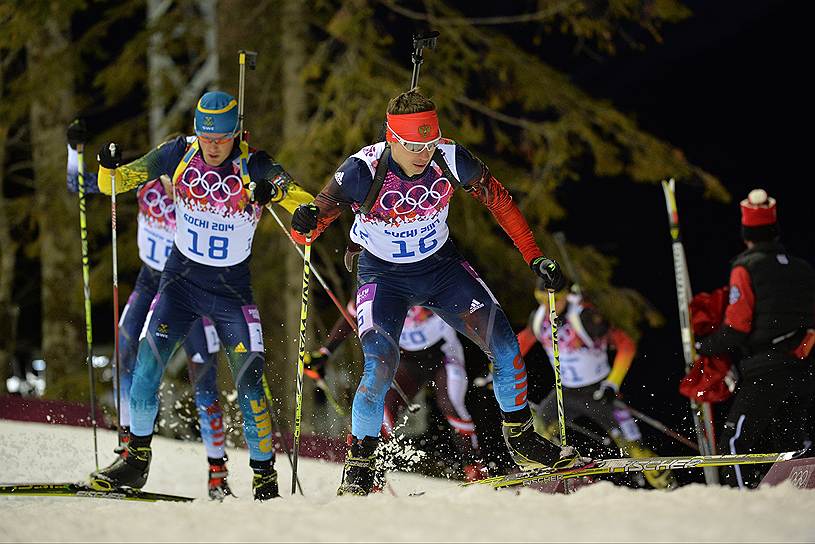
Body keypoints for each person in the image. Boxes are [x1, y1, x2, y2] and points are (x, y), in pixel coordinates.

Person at [290, 88, 588, 496]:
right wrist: (306, 221)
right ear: (392, 138)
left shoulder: (450, 157)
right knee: (380, 365)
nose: (423, 153)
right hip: (384, 277)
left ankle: (520, 439)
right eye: (413, 145)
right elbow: (309, 223)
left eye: (429, 143)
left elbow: (500, 201)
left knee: (504, 345)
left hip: (440, 270)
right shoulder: (362, 169)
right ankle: (359, 465)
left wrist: (534, 257)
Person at [88, 91, 313, 501]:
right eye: (206, 137)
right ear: (196, 132)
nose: (213, 145)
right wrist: (105, 164)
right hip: (179, 284)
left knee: (250, 385)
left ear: (236, 133)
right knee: (145, 366)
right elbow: (113, 184)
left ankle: (264, 478)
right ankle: (135, 461)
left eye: (222, 138)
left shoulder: (253, 163)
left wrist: (273, 192)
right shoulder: (177, 152)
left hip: (231, 294)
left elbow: (306, 202)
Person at [66, 120, 233, 500]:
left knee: (204, 379)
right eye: (174, 171)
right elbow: (81, 187)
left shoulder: (208, 195)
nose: (180, 179)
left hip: (190, 290)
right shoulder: (147, 182)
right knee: (125, 357)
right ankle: (129, 449)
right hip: (149, 281)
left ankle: (217, 472)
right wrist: (77, 152)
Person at [695, 189, 815, 488]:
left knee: (735, 444)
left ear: (746, 231)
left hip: (766, 371)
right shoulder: (802, 268)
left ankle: (739, 509)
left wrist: (706, 346)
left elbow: (738, 325)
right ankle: (795, 505)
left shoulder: (745, 267)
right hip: (802, 371)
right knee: (791, 448)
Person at [517, 280, 675, 489]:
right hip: (565, 393)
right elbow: (520, 344)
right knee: (536, 433)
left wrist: (612, 384)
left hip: (598, 393)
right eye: (541, 300)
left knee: (635, 449)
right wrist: (496, 372)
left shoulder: (585, 316)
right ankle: (549, 485)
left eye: (552, 300)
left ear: (565, 296)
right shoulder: (539, 319)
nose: (547, 306)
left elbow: (626, 345)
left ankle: (669, 488)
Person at [307, 302, 486, 481]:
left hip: (443, 355)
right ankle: (374, 475)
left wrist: (492, 349)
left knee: (450, 402)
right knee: (384, 410)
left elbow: (471, 308)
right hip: (406, 360)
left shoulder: (429, 276)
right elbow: (352, 314)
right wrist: (325, 353)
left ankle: (474, 466)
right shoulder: (377, 280)